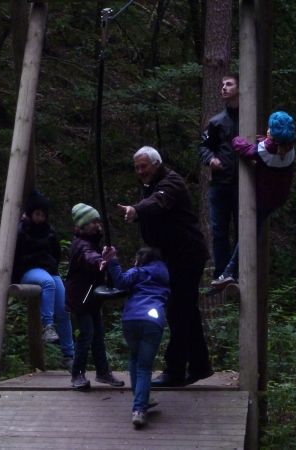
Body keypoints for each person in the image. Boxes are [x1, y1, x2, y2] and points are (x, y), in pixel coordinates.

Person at [118, 146, 212, 387]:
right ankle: (200, 365)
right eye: (137, 168)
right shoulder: (151, 185)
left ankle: (175, 370)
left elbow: (158, 202)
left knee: (178, 311)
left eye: (144, 166)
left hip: (187, 256)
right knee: (186, 310)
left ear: (156, 163)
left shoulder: (171, 182)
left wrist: (136, 210)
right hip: (174, 256)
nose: (140, 171)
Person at [211, 111, 296, 288]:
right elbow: (270, 149)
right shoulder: (290, 150)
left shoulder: (264, 151)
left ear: (272, 134)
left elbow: (241, 147)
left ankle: (229, 272)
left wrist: (237, 138)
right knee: (253, 229)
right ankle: (230, 272)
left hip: (262, 199)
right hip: (277, 198)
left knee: (249, 232)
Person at [102, 245, 169, 428]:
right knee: (144, 367)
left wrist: (112, 261)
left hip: (130, 319)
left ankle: (141, 400)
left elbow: (120, 282)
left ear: (141, 259)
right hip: (153, 321)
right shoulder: (164, 274)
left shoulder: (138, 272)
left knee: (134, 357)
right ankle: (139, 408)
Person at [12, 190, 75, 370]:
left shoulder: (49, 231)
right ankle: (47, 326)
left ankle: (69, 355)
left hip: (49, 269)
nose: (40, 218)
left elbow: (56, 253)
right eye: (37, 214)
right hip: (28, 270)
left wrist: (52, 265)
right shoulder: (21, 230)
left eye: (42, 215)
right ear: (30, 213)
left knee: (63, 309)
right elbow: (14, 255)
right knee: (48, 283)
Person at [65, 203, 124, 390]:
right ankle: (77, 374)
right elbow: (90, 257)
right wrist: (102, 260)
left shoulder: (93, 242)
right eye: (92, 222)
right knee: (87, 334)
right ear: (82, 225)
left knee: (98, 335)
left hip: (92, 298)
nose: (97, 225)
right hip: (80, 299)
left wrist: (104, 257)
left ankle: (102, 372)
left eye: (98, 221)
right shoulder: (82, 245)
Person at [198, 73, 240, 283]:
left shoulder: (251, 119)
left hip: (244, 186)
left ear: (240, 88)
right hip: (220, 184)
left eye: (229, 84)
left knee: (243, 230)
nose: (224, 88)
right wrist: (211, 159)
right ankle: (221, 274)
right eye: (222, 84)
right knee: (219, 231)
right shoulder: (216, 122)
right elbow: (203, 147)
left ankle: (237, 272)